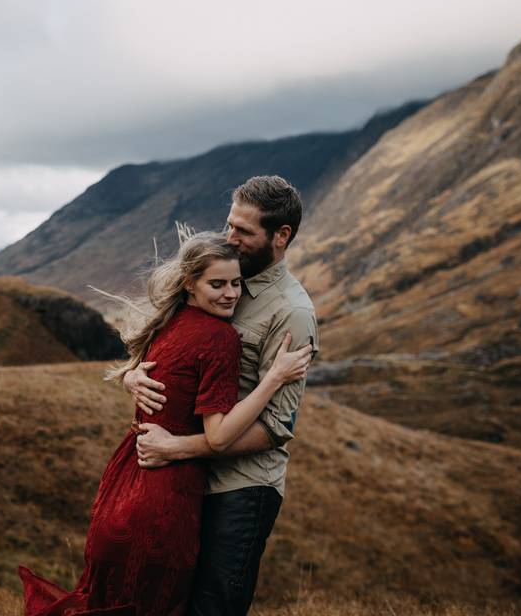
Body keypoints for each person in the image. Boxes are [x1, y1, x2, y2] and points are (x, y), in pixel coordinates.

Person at [18, 231, 312, 616]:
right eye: (217, 284)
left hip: (120, 490)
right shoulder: (220, 338)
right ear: (190, 284)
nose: (230, 294)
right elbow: (220, 437)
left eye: (236, 283)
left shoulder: (169, 321)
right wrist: (273, 377)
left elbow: (148, 379)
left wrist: (128, 377)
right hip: (162, 503)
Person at [126, 176, 319, 616]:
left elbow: (276, 429)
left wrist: (176, 448)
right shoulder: (218, 276)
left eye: (244, 232)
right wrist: (134, 376)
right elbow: (172, 348)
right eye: (229, 224)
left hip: (241, 490)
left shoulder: (292, 312)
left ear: (280, 236)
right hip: (184, 484)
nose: (229, 237)